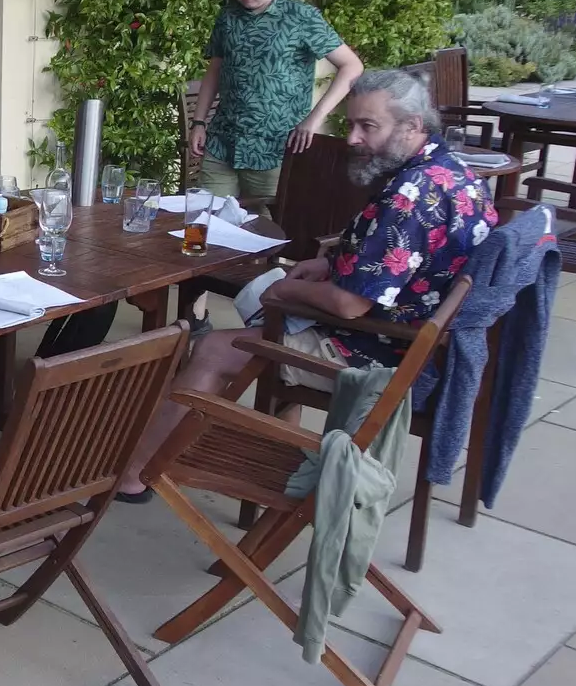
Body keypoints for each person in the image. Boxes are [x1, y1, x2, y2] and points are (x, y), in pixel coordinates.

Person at [119, 69, 498, 500]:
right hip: (427, 344)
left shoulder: (409, 194)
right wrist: (333, 262)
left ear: (413, 125)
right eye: (350, 124)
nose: (353, 138)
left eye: (368, 126)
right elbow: (410, 258)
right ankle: (278, 445)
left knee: (214, 348)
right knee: (271, 321)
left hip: (383, 355)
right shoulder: (457, 173)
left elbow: (349, 304)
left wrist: (284, 291)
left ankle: (134, 476)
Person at [186, 0, 364, 332]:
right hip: (223, 139)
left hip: (277, 147)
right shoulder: (228, 15)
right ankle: (194, 313)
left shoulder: (301, 18)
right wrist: (199, 122)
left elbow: (351, 66)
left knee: (274, 231)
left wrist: (314, 119)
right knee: (199, 221)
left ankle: (274, 314)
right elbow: (215, 70)